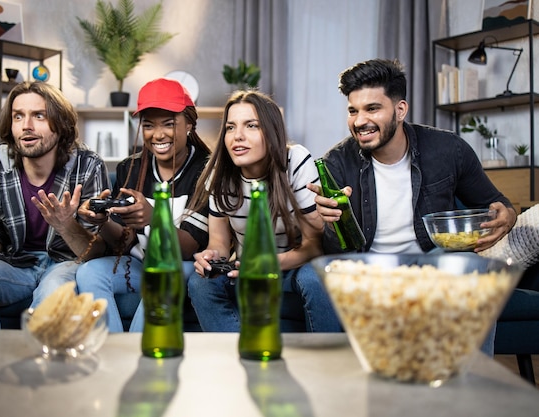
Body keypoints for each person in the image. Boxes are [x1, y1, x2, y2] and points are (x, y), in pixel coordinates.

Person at [308, 58, 517, 353]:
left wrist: (506, 216)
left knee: (474, 268)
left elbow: (497, 204)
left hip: (431, 262)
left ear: (400, 109)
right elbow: (336, 252)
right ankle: (334, 377)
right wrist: (329, 222)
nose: (359, 121)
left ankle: (473, 383)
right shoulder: (335, 162)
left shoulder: (448, 150)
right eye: (353, 110)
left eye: (372, 108)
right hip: (368, 266)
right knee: (313, 276)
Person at [0, 81, 110, 329]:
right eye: (18, 116)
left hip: (66, 263)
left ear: (60, 125)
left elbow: (95, 252)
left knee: (54, 287)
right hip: (16, 264)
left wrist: (65, 225)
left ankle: (38, 364)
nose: (26, 126)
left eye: (39, 115)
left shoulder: (87, 164)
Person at [187, 90, 341, 332]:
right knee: (200, 283)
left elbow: (314, 244)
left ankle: (323, 360)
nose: (237, 136)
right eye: (230, 127)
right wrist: (210, 257)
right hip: (246, 270)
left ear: (271, 132)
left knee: (315, 279)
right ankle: (237, 354)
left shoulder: (296, 161)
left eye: (251, 126)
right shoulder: (219, 172)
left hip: (295, 265)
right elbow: (218, 242)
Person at [75, 78, 211, 333]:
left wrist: (154, 218)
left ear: (190, 124)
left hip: (184, 267)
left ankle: (137, 355)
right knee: (89, 273)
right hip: (141, 263)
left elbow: (188, 248)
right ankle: (112, 351)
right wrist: (102, 221)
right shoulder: (132, 167)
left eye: (169, 124)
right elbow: (122, 243)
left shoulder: (207, 170)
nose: (157, 134)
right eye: (148, 125)